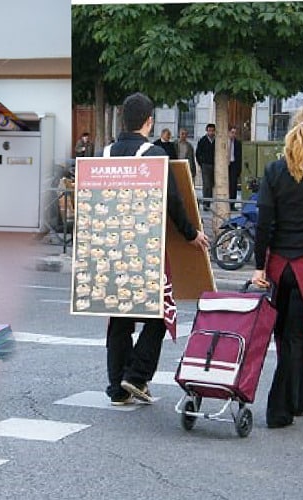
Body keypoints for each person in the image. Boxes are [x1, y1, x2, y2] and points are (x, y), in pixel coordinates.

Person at [104, 92, 209, 405]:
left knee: (119, 318)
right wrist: (191, 234)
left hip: (111, 247)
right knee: (159, 315)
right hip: (145, 246)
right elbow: (173, 201)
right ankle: (136, 376)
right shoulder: (153, 153)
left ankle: (117, 388)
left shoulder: (105, 153)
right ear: (149, 121)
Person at [251, 108, 303, 429]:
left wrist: (258, 267)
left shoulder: (274, 171)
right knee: (299, 336)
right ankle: (280, 408)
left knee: (286, 337)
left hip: (280, 266)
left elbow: (264, 224)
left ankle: (300, 397)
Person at [196, 123, 216, 210]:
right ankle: (206, 204)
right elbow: (198, 153)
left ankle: (209, 201)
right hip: (206, 165)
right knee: (206, 184)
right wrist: (201, 163)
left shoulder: (217, 140)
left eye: (212, 131)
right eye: (209, 131)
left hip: (215, 165)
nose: (211, 132)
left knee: (212, 184)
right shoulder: (203, 140)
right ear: (207, 131)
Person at [228, 125, 242, 211]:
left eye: (235, 133)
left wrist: (239, 169)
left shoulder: (237, 143)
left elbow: (239, 157)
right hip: (225, 165)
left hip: (234, 165)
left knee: (233, 186)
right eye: (232, 133)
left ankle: (232, 205)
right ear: (229, 132)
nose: (233, 135)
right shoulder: (224, 142)